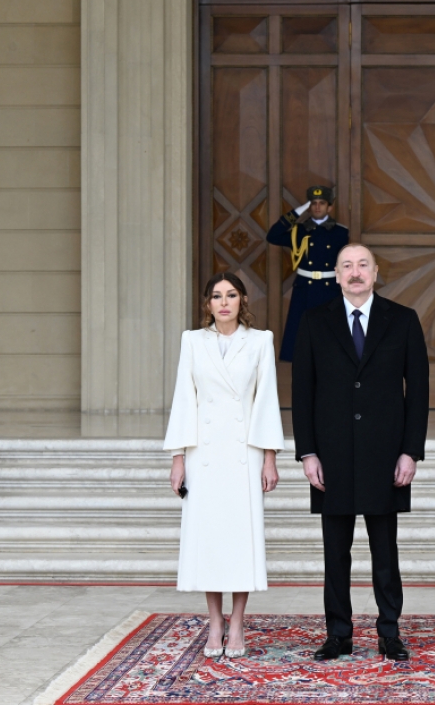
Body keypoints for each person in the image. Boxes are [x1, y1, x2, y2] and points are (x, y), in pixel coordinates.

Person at [292, 244, 429, 661]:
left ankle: (390, 632)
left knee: (385, 552)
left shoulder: (403, 320)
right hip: (331, 456)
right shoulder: (314, 321)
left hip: (385, 456)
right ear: (336, 275)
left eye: (363, 265)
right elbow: (302, 393)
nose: (355, 272)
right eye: (347, 266)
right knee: (335, 553)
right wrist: (308, 453)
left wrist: (410, 452)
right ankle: (338, 634)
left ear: (376, 272)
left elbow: (418, 392)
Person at [164, 272, 285, 659]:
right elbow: (185, 399)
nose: (224, 302)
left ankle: (237, 624)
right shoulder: (192, 341)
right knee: (210, 541)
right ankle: (215, 622)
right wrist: (178, 457)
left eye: (231, 295)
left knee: (239, 541)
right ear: (208, 304)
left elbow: (265, 400)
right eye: (216, 296)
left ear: (242, 300)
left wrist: (269, 457)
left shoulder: (260, 341)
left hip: (243, 455)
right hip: (203, 455)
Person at [266, 185, 349, 362]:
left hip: (330, 289)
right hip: (305, 289)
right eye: (313, 203)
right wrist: (296, 213)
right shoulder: (299, 231)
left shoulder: (341, 233)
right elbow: (273, 236)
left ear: (330, 207)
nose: (317, 207)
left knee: (330, 340)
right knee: (300, 339)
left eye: (322, 203)